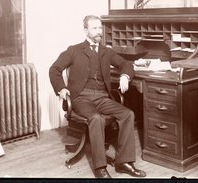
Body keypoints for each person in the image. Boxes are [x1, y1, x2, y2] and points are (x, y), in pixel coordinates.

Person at [49, 15, 146, 178]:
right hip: (81, 98)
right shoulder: (74, 50)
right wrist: (62, 89)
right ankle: (100, 167)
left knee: (128, 114)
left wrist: (125, 76)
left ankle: (124, 162)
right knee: (96, 118)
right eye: (94, 28)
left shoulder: (106, 51)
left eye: (100, 28)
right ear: (85, 30)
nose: (99, 31)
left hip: (102, 97)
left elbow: (126, 64)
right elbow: (54, 69)